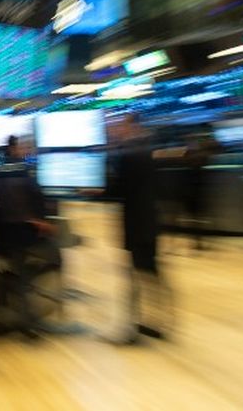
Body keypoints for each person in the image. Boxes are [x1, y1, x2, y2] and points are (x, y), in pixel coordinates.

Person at [98, 114, 173, 343]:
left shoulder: (129, 154)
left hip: (136, 224)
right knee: (151, 272)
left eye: (120, 126)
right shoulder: (149, 150)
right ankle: (158, 324)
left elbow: (117, 189)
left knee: (134, 275)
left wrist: (97, 191)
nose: (116, 130)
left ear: (132, 126)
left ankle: (130, 329)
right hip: (150, 221)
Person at [0, 135, 58, 337]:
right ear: (12, 149)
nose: (28, 149)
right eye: (24, 146)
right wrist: (37, 221)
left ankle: (26, 321)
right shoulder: (16, 169)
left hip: (14, 231)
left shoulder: (7, 168)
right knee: (56, 259)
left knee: (21, 273)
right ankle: (27, 318)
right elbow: (16, 199)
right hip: (24, 231)